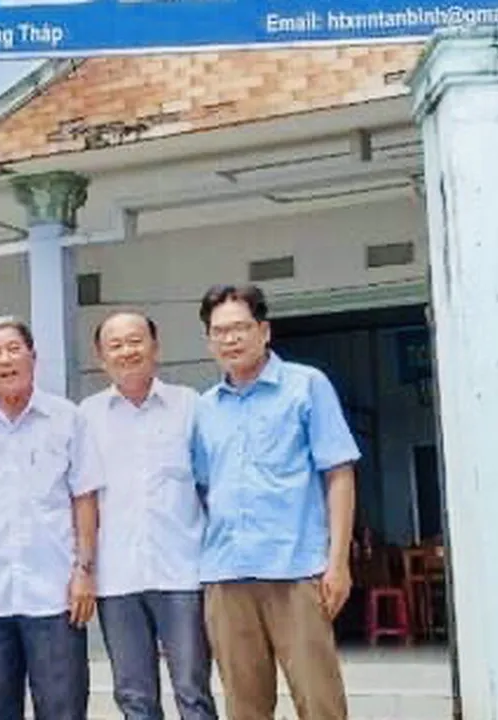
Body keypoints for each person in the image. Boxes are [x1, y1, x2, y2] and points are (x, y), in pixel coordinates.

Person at [192, 285, 360, 720]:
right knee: (244, 707)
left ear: (264, 331)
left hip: (295, 569)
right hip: (226, 575)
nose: (230, 339)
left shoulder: (306, 386)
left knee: (320, 702)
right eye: (219, 331)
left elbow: (339, 474)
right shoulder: (205, 409)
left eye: (240, 328)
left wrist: (337, 563)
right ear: (209, 341)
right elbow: (205, 488)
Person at [0, 316, 101, 720]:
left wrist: (84, 571)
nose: (5, 359)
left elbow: (84, 499)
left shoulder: (67, 419)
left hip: (54, 595)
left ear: (33, 356)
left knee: (63, 709)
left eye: (14, 349)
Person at [79, 311, 218, 720]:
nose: (127, 351)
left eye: (135, 341)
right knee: (134, 696)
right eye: (115, 345)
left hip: (182, 574)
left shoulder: (189, 406)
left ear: (155, 347)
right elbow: (83, 499)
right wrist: (84, 568)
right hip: (117, 577)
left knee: (193, 691)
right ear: (101, 357)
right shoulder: (87, 416)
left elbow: (211, 486)